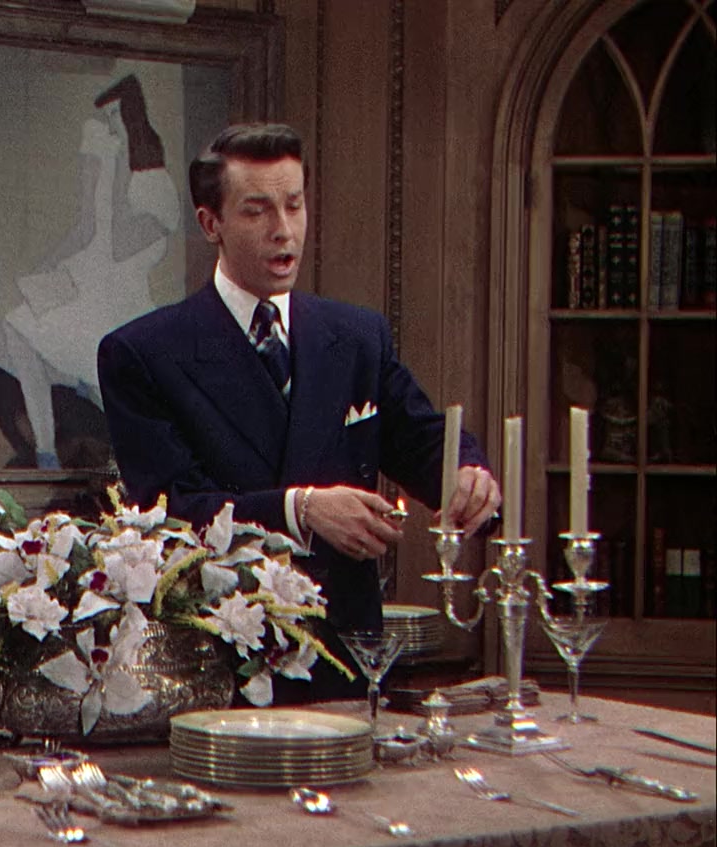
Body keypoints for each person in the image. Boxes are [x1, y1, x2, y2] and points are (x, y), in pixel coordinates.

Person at [97, 122, 501, 700]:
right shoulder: (144, 353)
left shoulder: (357, 337)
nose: (283, 231)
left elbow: (420, 439)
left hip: (344, 661)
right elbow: (169, 513)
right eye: (257, 211)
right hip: (221, 666)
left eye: (294, 205)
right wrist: (300, 509)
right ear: (210, 224)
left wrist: (465, 472)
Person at [0, 73, 180, 469]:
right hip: (92, 279)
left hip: (117, 295)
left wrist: (116, 178)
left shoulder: (154, 185)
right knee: (17, 330)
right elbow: (87, 229)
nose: (110, 126)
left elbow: (125, 244)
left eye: (116, 116)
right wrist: (45, 268)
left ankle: (124, 453)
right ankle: (46, 452)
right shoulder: (106, 159)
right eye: (107, 118)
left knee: (106, 373)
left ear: (132, 115)